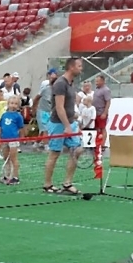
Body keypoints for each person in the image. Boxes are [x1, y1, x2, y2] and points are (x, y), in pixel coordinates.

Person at [42, 57, 83, 195]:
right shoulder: (60, 83)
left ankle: (67, 183)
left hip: (70, 122)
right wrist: (67, 126)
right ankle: (47, 184)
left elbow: (69, 104)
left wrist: (74, 122)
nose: (81, 68)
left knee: (77, 150)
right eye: (79, 66)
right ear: (71, 67)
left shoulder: (71, 83)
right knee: (54, 154)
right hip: (57, 124)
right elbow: (59, 107)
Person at [0, 97, 25, 184]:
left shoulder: (18, 116)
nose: (13, 105)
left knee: (14, 158)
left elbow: (21, 128)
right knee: (6, 157)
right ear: (8, 104)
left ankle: (15, 177)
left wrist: (22, 138)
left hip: (13, 140)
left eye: (16, 104)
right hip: (4, 139)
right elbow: (0, 127)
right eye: (12, 103)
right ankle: (7, 175)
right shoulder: (4, 115)